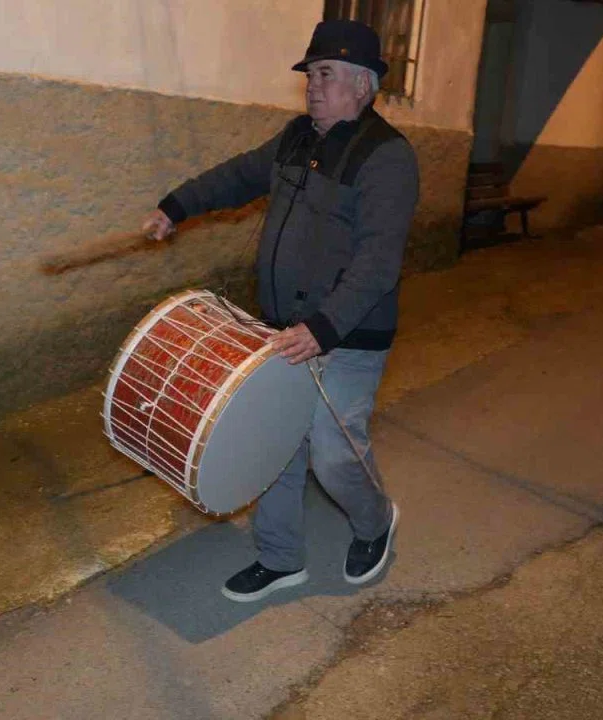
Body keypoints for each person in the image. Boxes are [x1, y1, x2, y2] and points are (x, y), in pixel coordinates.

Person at [142, 19, 419, 603]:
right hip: (283, 328)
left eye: (325, 74)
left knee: (333, 451)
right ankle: (280, 558)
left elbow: (378, 260)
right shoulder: (297, 138)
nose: (312, 86)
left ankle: (375, 522)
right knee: (276, 445)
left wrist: (324, 327)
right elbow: (240, 175)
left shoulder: (387, 157)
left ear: (362, 84)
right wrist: (178, 205)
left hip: (347, 335)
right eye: (310, 74)